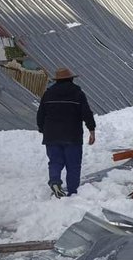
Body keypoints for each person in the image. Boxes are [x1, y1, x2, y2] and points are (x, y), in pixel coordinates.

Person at [37, 67, 96, 197]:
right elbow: (86, 113)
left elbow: (40, 114)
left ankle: (55, 181)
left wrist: (42, 129)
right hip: (72, 136)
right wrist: (91, 130)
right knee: (73, 164)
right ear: (71, 79)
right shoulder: (77, 93)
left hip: (52, 136)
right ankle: (73, 191)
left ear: (57, 80)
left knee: (55, 162)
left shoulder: (48, 94)